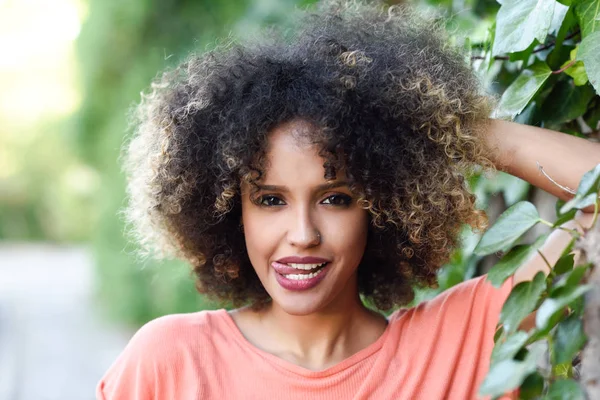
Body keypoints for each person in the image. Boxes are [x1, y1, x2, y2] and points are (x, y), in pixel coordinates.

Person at [95, 1, 599, 399]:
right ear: (231, 213)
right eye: (270, 200)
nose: (302, 234)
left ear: (383, 206)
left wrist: (447, 130)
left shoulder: (465, 338)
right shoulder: (168, 362)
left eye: (335, 198)